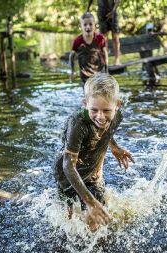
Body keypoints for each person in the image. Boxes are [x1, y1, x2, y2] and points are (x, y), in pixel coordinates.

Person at [53, 72, 135, 232]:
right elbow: (68, 166)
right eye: (94, 110)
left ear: (117, 105)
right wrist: (90, 202)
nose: (101, 116)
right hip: (67, 176)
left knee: (94, 225)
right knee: (67, 222)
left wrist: (114, 147)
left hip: (93, 175)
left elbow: (106, 131)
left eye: (106, 110)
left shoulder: (117, 117)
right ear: (85, 103)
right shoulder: (78, 123)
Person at [69, 12, 108, 84]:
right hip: (85, 75)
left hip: (99, 72)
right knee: (88, 94)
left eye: (90, 24)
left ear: (95, 25)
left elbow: (105, 52)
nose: (88, 27)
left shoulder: (100, 38)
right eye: (85, 25)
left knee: (99, 93)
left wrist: (106, 70)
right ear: (80, 26)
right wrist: (72, 71)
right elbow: (71, 55)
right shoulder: (77, 41)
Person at [97, 0, 121, 65]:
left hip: (113, 12)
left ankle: (117, 60)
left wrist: (113, 12)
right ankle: (105, 61)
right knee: (103, 39)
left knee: (115, 37)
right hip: (102, 13)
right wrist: (87, 9)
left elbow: (118, 1)